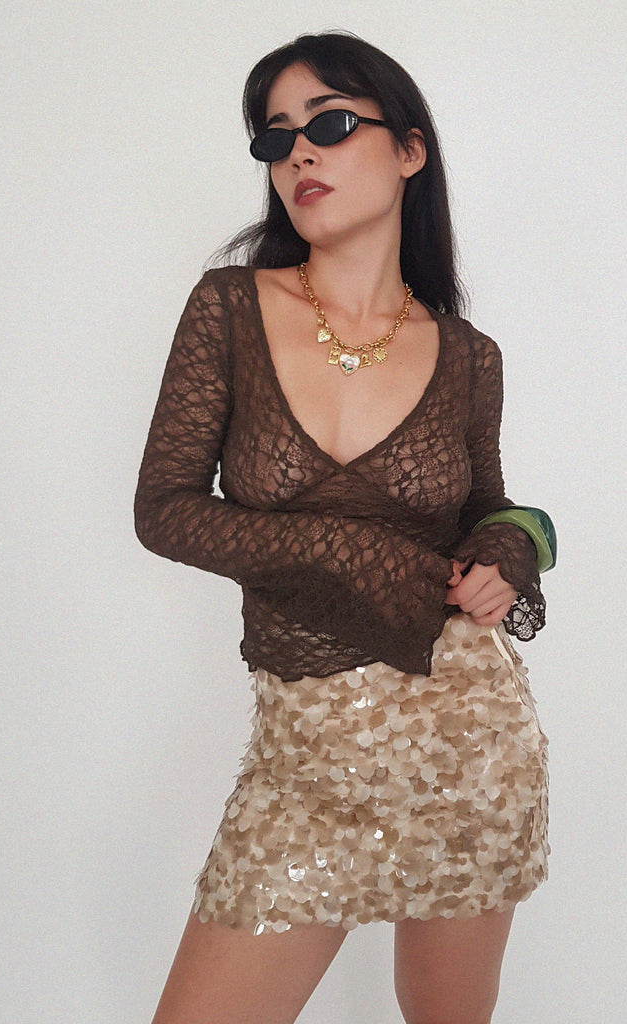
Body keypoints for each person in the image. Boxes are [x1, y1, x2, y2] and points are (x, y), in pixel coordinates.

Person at [135, 30, 552, 1024]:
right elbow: (164, 509)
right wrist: (337, 547)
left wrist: (510, 547)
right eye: (275, 138)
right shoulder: (230, 309)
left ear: (409, 149)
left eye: (328, 125)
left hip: (469, 753)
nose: (298, 155)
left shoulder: (469, 356)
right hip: (302, 768)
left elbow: (490, 510)